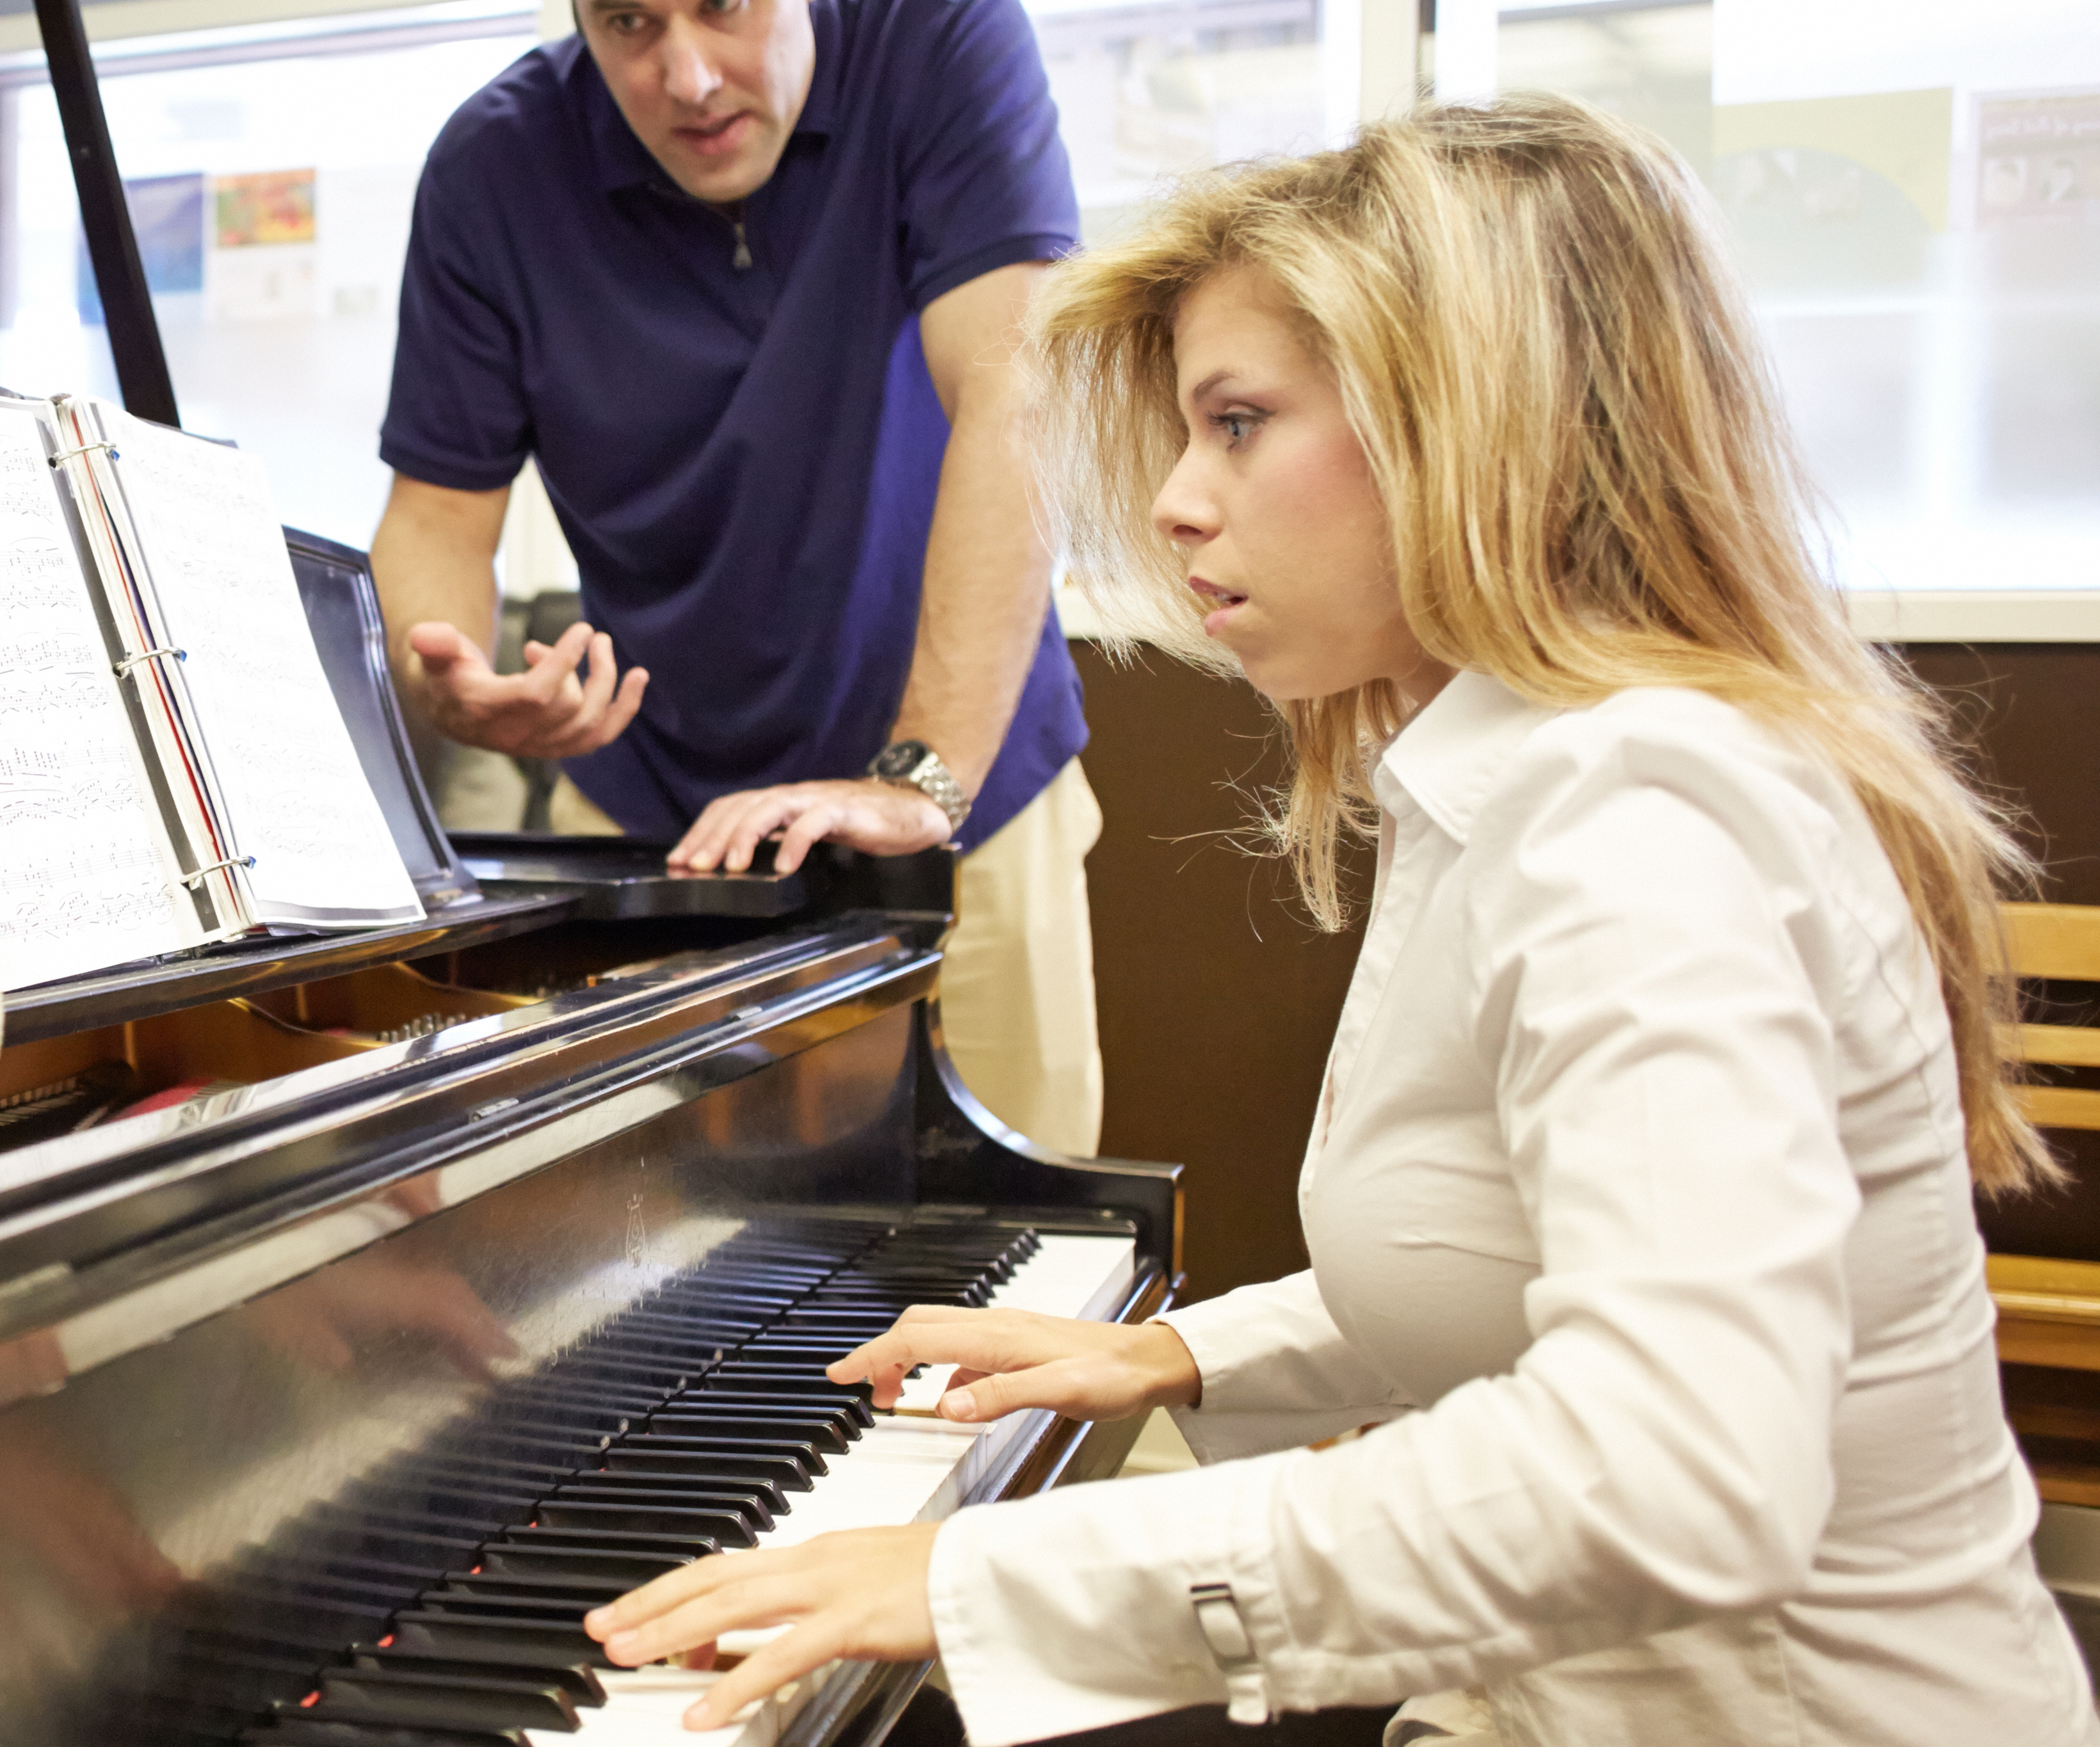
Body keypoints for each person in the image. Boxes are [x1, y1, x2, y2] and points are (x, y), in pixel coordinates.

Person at [578, 99, 2100, 1746]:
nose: (1171, 501)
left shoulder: (1641, 814)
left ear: (1468, 424)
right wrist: (1178, 1358)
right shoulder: (1513, 762)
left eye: (1236, 422)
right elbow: (1527, 1249)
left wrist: (971, 1578)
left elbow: (1679, 1475)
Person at [369, 0, 1102, 1155]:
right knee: (664, 1298)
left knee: (1022, 1282)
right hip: (665, 820)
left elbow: (1015, 398)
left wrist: (919, 779)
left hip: (968, 787)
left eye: (725, 0)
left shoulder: (944, 52)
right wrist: (455, 680)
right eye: (624, 24)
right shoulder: (491, 170)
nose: (688, 75)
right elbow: (433, 520)